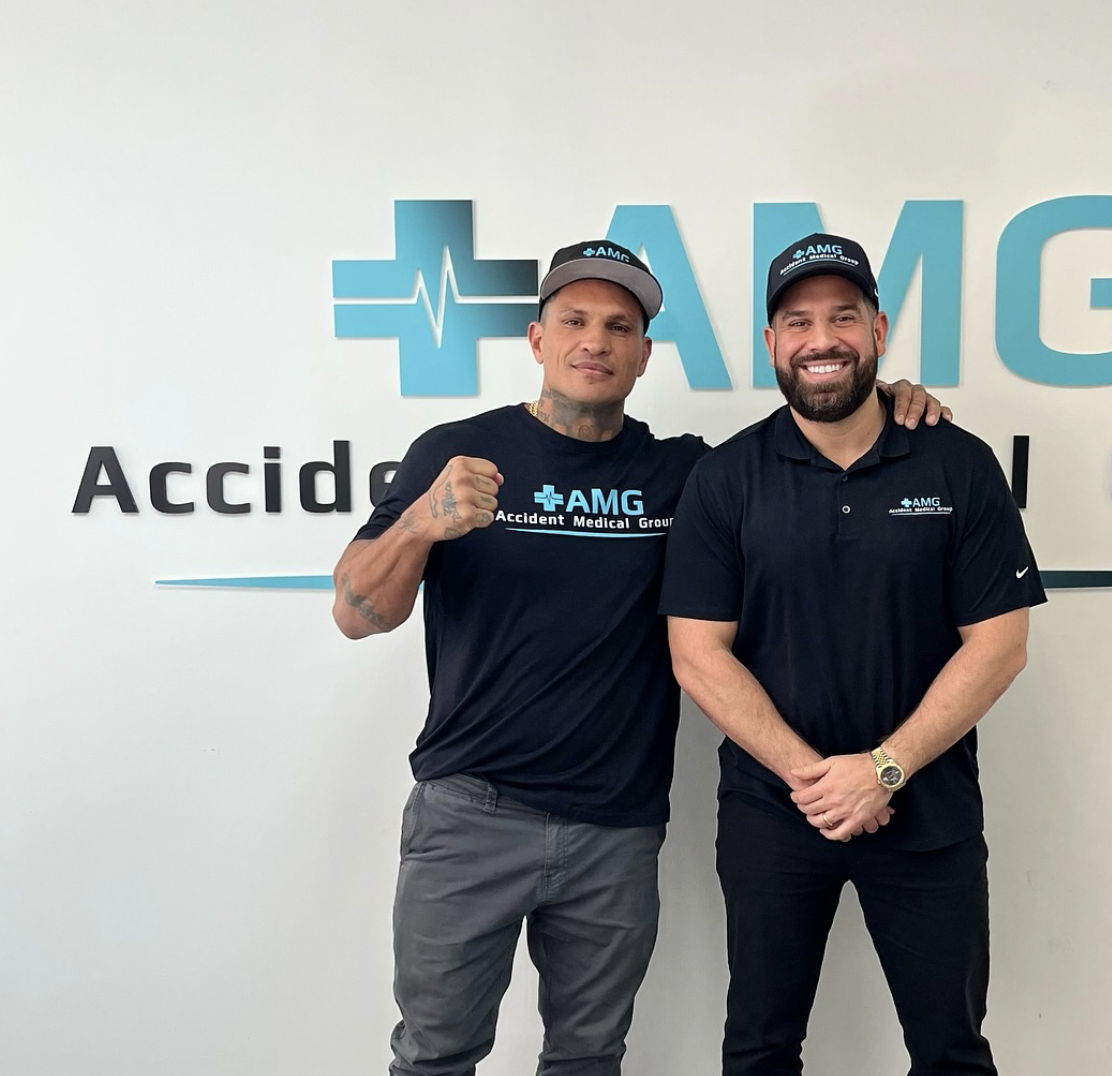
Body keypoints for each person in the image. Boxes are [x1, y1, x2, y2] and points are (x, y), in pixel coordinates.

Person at [330, 238, 948, 1076]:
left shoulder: (685, 474)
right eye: (574, 321)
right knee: (435, 1055)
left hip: (615, 828)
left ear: (645, 354)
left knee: (589, 1058)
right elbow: (356, 613)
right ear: (538, 339)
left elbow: (805, 447)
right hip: (471, 813)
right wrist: (418, 524)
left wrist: (889, 397)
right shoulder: (457, 451)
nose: (596, 341)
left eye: (619, 327)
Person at [660, 233, 1047, 1076]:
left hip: (927, 807)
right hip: (774, 812)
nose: (821, 339)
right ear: (772, 344)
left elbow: (1000, 645)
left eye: (842, 316)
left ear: (877, 330)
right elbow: (696, 654)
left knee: (951, 1053)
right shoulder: (726, 479)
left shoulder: (959, 465)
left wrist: (884, 769)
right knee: (759, 1050)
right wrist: (820, 781)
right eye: (798, 322)